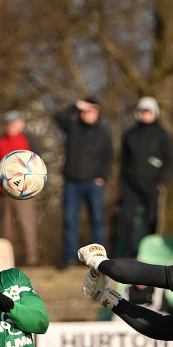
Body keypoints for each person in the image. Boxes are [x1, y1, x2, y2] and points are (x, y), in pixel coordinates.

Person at [54, 97, 113, 268]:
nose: (89, 114)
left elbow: (109, 158)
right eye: (85, 111)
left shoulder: (103, 133)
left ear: (98, 112)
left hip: (94, 184)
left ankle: (100, 259)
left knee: (97, 221)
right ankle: (69, 258)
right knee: (70, 222)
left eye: (92, 110)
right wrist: (75, 105)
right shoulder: (73, 128)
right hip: (72, 182)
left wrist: (102, 176)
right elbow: (58, 117)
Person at [119, 97, 172, 257]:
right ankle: (130, 250)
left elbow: (168, 159)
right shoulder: (130, 134)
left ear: (155, 113)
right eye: (143, 112)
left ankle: (149, 251)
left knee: (151, 218)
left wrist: (162, 181)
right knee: (128, 217)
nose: (145, 115)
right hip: (130, 183)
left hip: (152, 183)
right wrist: (123, 182)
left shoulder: (162, 135)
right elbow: (123, 160)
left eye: (148, 112)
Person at [0, 110, 39, 266]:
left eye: (13, 123)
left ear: (21, 123)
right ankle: (6, 260)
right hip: (5, 191)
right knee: (6, 228)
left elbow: (38, 164)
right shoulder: (0, 141)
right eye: (8, 124)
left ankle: (31, 259)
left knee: (27, 226)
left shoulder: (29, 140)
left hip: (25, 191)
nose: (10, 126)